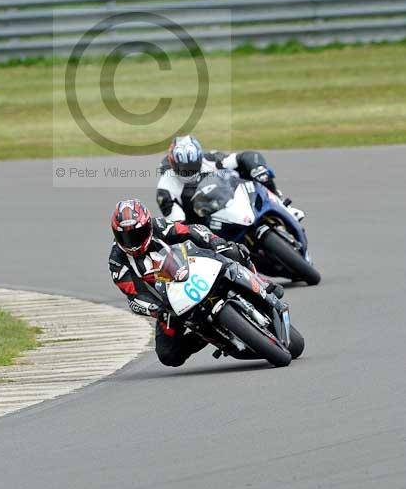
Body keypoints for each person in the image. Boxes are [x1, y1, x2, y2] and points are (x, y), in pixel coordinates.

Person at [109, 198, 284, 368]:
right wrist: (155, 308)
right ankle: (206, 335)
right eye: (125, 237)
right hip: (170, 301)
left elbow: (191, 231)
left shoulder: (159, 226)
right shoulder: (117, 261)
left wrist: (216, 243)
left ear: (147, 224)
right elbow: (133, 295)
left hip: (193, 268)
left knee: (234, 252)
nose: (133, 241)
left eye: (137, 234)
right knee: (168, 355)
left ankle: (259, 281)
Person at [156, 135, 304, 225]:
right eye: (183, 167)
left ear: (199, 157)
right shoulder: (166, 189)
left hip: (233, 199)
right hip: (206, 224)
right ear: (173, 163)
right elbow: (178, 223)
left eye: (192, 165)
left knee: (256, 172)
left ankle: (284, 207)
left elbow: (244, 157)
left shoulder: (211, 159)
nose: (188, 171)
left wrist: (257, 168)